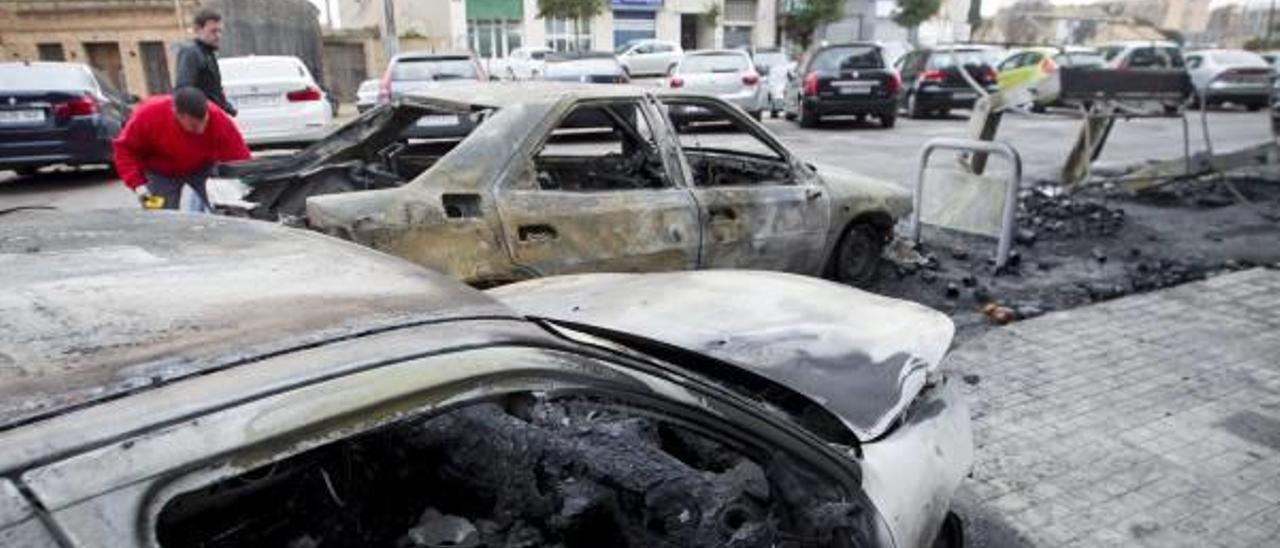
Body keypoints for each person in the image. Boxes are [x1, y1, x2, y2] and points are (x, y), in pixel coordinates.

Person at [112, 87, 250, 211]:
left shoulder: (217, 118)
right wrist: (138, 185)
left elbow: (239, 157)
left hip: (203, 167)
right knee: (160, 218)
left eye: (204, 123)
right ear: (177, 114)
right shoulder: (149, 115)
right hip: (160, 172)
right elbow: (124, 150)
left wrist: (244, 184)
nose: (201, 130)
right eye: (194, 126)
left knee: (229, 206)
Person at [175, 8, 236, 116]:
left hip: (212, 115)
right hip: (201, 118)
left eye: (220, 31)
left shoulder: (208, 54)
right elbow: (184, 90)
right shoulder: (191, 53)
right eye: (213, 31)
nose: (218, 36)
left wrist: (227, 107)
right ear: (198, 30)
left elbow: (214, 90)